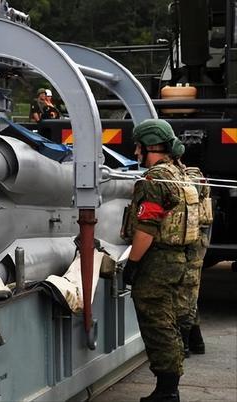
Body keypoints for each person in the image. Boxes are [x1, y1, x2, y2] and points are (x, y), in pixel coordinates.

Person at [121, 119, 200, 402]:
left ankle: (167, 392)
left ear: (150, 146)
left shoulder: (154, 180)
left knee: (158, 324)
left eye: (138, 146)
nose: (135, 152)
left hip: (157, 263)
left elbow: (147, 227)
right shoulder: (180, 173)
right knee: (170, 321)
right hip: (180, 260)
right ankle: (169, 387)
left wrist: (133, 263)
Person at [171, 139, 211, 357]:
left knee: (186, 290)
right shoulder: (188, 175)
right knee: (189, 290)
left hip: (193, 242)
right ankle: (196, 339)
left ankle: (185, 343)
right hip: (195, 240)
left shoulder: (190, 177)